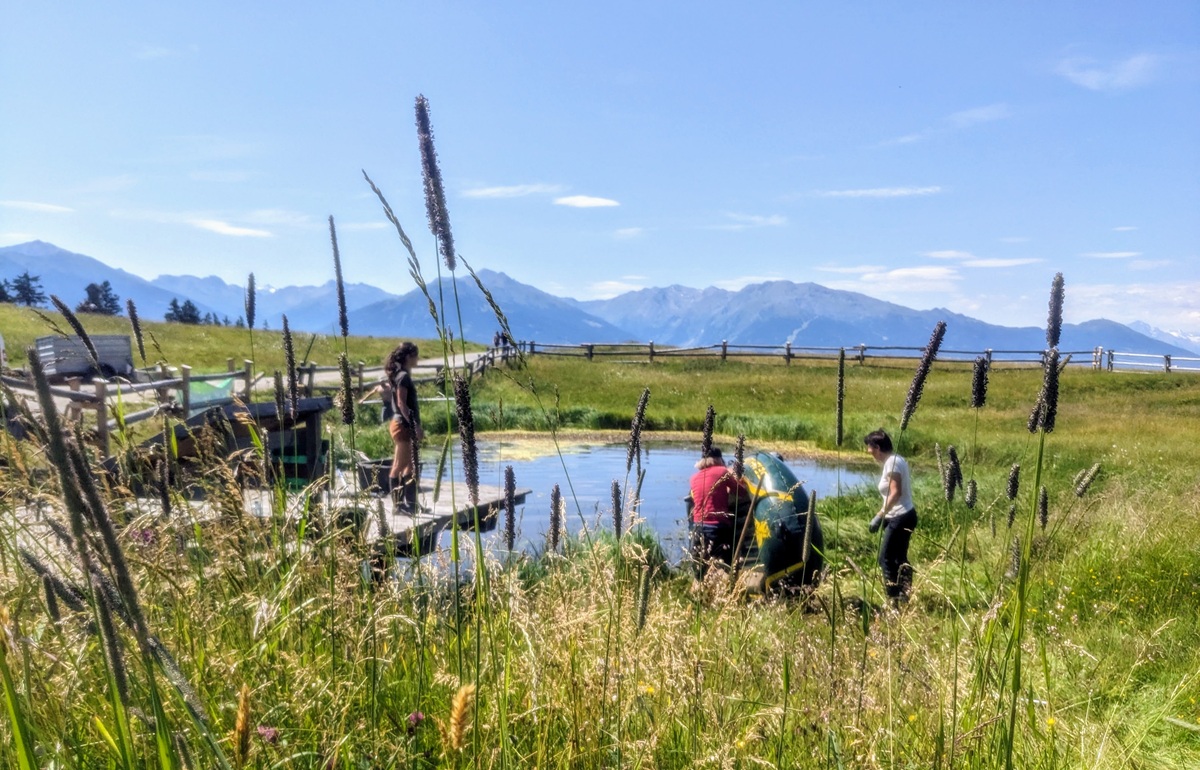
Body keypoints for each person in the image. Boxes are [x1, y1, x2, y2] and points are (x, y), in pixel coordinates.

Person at [864, 429, 918, 604]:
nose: (868, 452)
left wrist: (880, 515)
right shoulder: (895, 460)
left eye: (869, 447)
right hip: (903, 515)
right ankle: (904, 595)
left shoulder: (892, 463)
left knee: (885, 559)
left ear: (878, 447)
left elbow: (895, 493)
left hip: (900, 516)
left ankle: (893, 599)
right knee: (899, 558)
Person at [687, 447, 751, 577]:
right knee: (729, 563)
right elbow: (741, 492)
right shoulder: (722, 471)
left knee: (700, 568)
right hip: (717, 526)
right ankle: (731, 587)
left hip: (698, 527)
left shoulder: (693, 478)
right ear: (719, 459)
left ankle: (700, 590)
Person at [385, 341, 424, 513]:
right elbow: (401, 403)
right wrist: (414, 424)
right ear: (409, 357)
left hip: (404, 424)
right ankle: (397, 506)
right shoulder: (403, 377)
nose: (417, 359)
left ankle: (412, 504)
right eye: (416, 355)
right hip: (403, 425)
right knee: (399, 465)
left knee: (410, 466)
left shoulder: (400, 375)